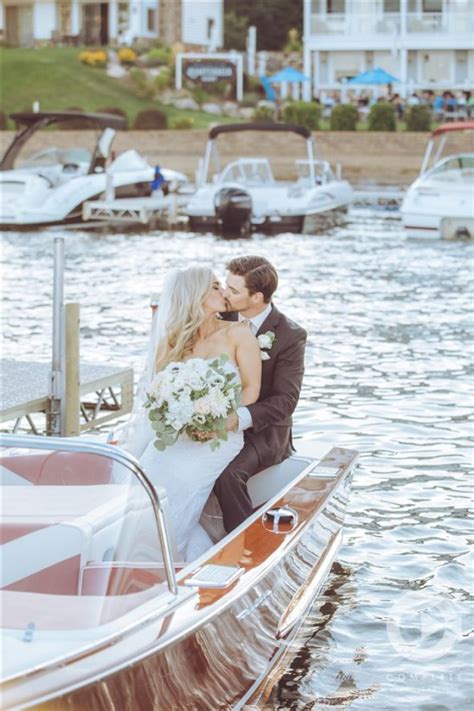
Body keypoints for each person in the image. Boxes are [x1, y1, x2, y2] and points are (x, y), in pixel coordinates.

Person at [128, 266, 262, 562]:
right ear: (196, 295)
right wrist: (181, 417)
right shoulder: (174, 341)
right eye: (215, 286)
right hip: (179, 436)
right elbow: (159, 393)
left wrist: (220, 420)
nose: (223, 291)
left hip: (222, 434)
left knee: (181, 483)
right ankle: (141, 559)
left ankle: (162, 562)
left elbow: (252, 389)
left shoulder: (239, 334)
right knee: (147, 474)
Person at [214, 255, 307, 533]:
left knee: (228, 475)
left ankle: (243, 542)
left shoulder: (291, 335)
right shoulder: (218, 319)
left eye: (233, 290)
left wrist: (239, 418)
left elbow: (285, 401)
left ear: (256, 297)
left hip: (264, 433)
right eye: (224, 286)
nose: (225, 294)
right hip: (213, 419)